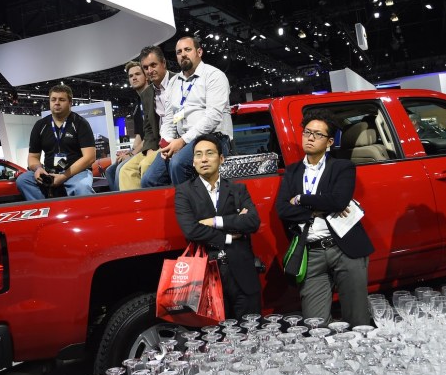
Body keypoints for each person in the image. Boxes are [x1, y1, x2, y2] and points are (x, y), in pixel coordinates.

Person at [276, 110, 374, 327]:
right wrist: (317, 209)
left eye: (317, 135)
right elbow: (282, 209)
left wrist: (301, 198)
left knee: (358, 319)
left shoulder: (342, 167)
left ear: (329, 141)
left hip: (344, 249)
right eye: (307, 132)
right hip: (311, 252)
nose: (310, 138)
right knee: (315, 325)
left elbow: (338, 201)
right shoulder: (292, 172)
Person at [174, 134, 261, 319]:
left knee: (251, 334)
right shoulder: (184, 192)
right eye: (198, 155)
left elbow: (252, 221)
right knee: (218, 339)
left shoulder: (238, 189)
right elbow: (191, 229)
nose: (203, 159)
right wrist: (229, 235)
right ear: (193, 161)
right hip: (207, 276)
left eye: (209, 153)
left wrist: (215, 221)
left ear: (221, 159)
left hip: (242, 273)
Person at [141, 36, 232, 187]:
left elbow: (213, 117)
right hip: (181, 141)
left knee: (178, 164)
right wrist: (167, 143)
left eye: (187, 50)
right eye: (178, 52)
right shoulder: (174, 82)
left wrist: (183, 141)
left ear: (199, 52)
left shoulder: (214, 76)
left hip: (213, 137)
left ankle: (189, 208)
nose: (183, 54)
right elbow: (169, 118)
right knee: (149, 180)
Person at [15, 85, 97, 201]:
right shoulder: (40, 125)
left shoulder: (80, 124)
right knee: (23, 180)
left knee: (82, 187)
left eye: (61, 99)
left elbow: (90, 157)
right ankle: (45, 209)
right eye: (53, 99)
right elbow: (33, 157)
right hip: (48, 171)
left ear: (70, 102)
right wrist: (38, 168)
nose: (57, 103)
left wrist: (63, 176)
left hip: (76, 172)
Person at [119, 45, 173, 190]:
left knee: (145, 166)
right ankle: (134, 211)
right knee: (125, 170)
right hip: (156, 146)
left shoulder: (179, 82)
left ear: (163, 63)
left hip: (176, 142)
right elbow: (148, 128)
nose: (150, 70)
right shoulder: (147, 94)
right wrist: (149, 149)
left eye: (153, 65)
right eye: (146, 67)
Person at [105, 62, 148, 191]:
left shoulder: (152, 98)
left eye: (137, 74)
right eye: (131, 76)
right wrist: (129, 152)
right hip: (142, 147)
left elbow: (152, 135)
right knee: (110, 170)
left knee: (121, 169)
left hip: (152, 147)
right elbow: (140, 135)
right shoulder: (137, 104)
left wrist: (133, 153)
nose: (134, 78)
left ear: (146, 76)